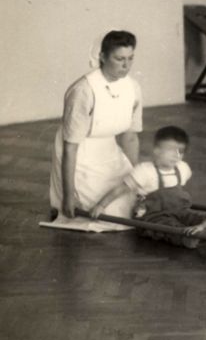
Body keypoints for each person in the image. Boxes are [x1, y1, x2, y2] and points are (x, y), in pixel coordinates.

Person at [44, 30, 142, 232]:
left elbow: (130, 136)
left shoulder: (133, 87)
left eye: (130, 58)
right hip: (80, 156)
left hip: (110, 152)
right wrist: (68, 196)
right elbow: (70, 147)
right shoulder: (84, 90)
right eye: (119, 59)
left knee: (136, 206)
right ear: (102, 56)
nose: (126, 65)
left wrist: (137, 179)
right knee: (111, 214)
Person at [90, 126, 205, 248]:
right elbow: (121, 189)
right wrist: (101, 205)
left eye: (180, 151)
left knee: (194, 217)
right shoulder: (144, 171)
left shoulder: (183, 168)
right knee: (169, 227)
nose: (176, 155)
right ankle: (188, 236)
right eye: (171, 150)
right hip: (153, 216)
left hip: (178, 210)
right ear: (156, 150)